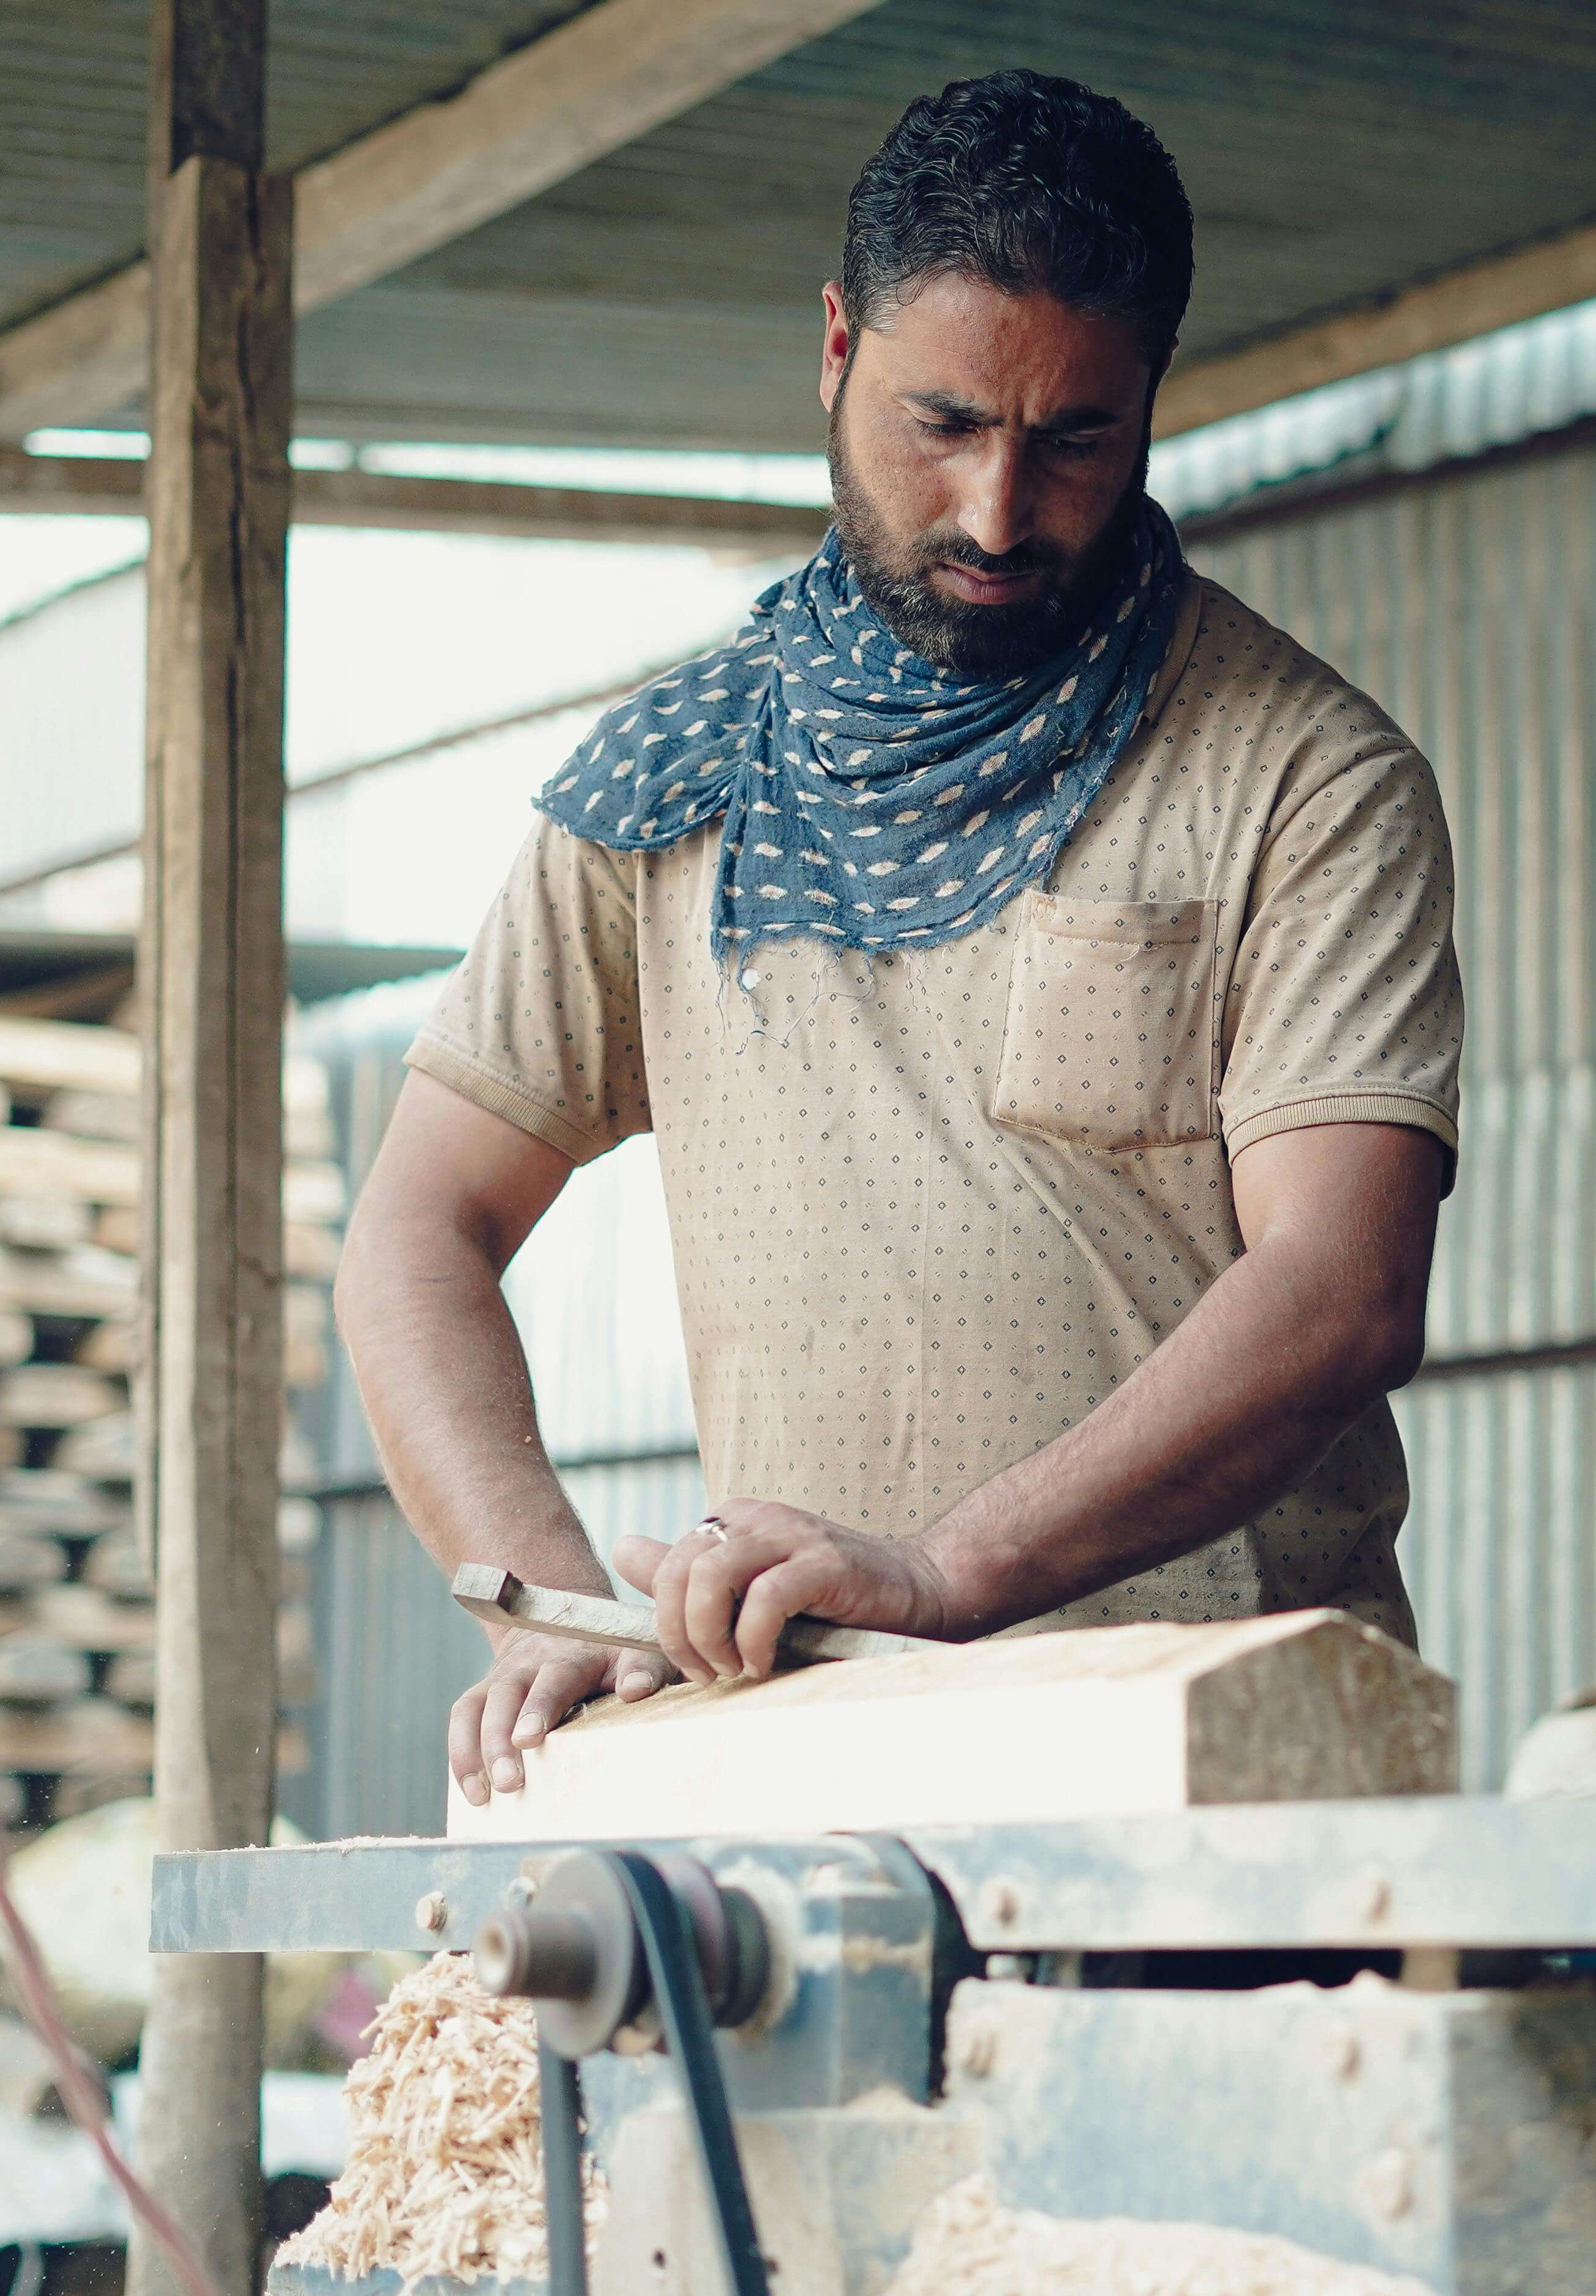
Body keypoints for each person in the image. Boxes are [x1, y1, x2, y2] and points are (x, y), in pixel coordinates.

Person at [332, 69, 1465, 1807]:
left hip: (1220, 1781)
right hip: (811, 1775)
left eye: (1075, 438)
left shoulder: (1301, 780)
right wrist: (537, 1596)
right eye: (944, 423)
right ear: (838, 348)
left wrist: (955, 1574)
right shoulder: (669, 784)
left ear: (1152, 396)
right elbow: (418, 1224)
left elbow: (1340, 1293)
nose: (1002, 513)